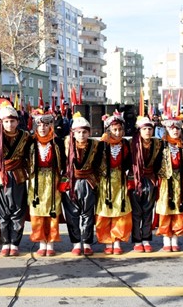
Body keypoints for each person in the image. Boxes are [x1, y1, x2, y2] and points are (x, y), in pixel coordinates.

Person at [62, 112, 102, 256]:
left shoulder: (95, 145)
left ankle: (87, 242)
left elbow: (99, 164)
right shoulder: (65, 144)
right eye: (78, 132)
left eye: (84, 132)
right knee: (72, 214)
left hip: (88, 182)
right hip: (71, 182)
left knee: (87, 214)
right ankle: (76, 243)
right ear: (73, 133)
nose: (81, 135)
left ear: (89, 132)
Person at [0, 102, 31, 256]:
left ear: (17, 122)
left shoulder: (26, 137)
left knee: (17, 210)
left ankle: (14, 242)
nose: (9, 124)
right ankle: (5, 242)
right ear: (1, 122)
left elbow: (30, 156)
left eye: (12, 121)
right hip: (0, 176)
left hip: (18, 176)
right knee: (2, 212)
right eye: (6, 121)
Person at [27, 109, 66, 256]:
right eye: (39, 125)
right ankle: (41, 242)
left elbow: (64, 160)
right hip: (36, 180)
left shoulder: (58, 142)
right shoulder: (30, 142)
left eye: (46, 124)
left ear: (51, 125)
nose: (42, 128)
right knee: (37, 211)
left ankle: (50, 243)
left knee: (52, 210)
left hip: (52, 179)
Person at [96, 112, 133, 255]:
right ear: (108, 130)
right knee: (105, 210)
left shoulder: (125, 144)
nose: (117, 132)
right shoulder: (102, 144)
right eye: (114, 130)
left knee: (120, 210)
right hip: (105, 181)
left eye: (119, 130)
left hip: (120, 180)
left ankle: (117, 241)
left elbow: (130, 162)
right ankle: (107, 241)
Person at [155, 117, 183, 252]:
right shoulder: (160, 145)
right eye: (172, 128)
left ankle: (175, 239)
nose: (175, 131)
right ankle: (166, 239)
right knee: (165, 209)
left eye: (178, 128)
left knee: (179, 209)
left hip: (179, 182)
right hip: (165, 182)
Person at [129, 116, 163, 253]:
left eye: (150, 128)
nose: (148, 131)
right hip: (135, 179)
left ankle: (146, 239)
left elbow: (159, 163)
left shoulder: (158, 144)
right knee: (136, 212)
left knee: (148, 211)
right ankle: (137, 240)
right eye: (145, 129)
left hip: (150, 179)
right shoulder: (132, 143)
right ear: (139, 130)